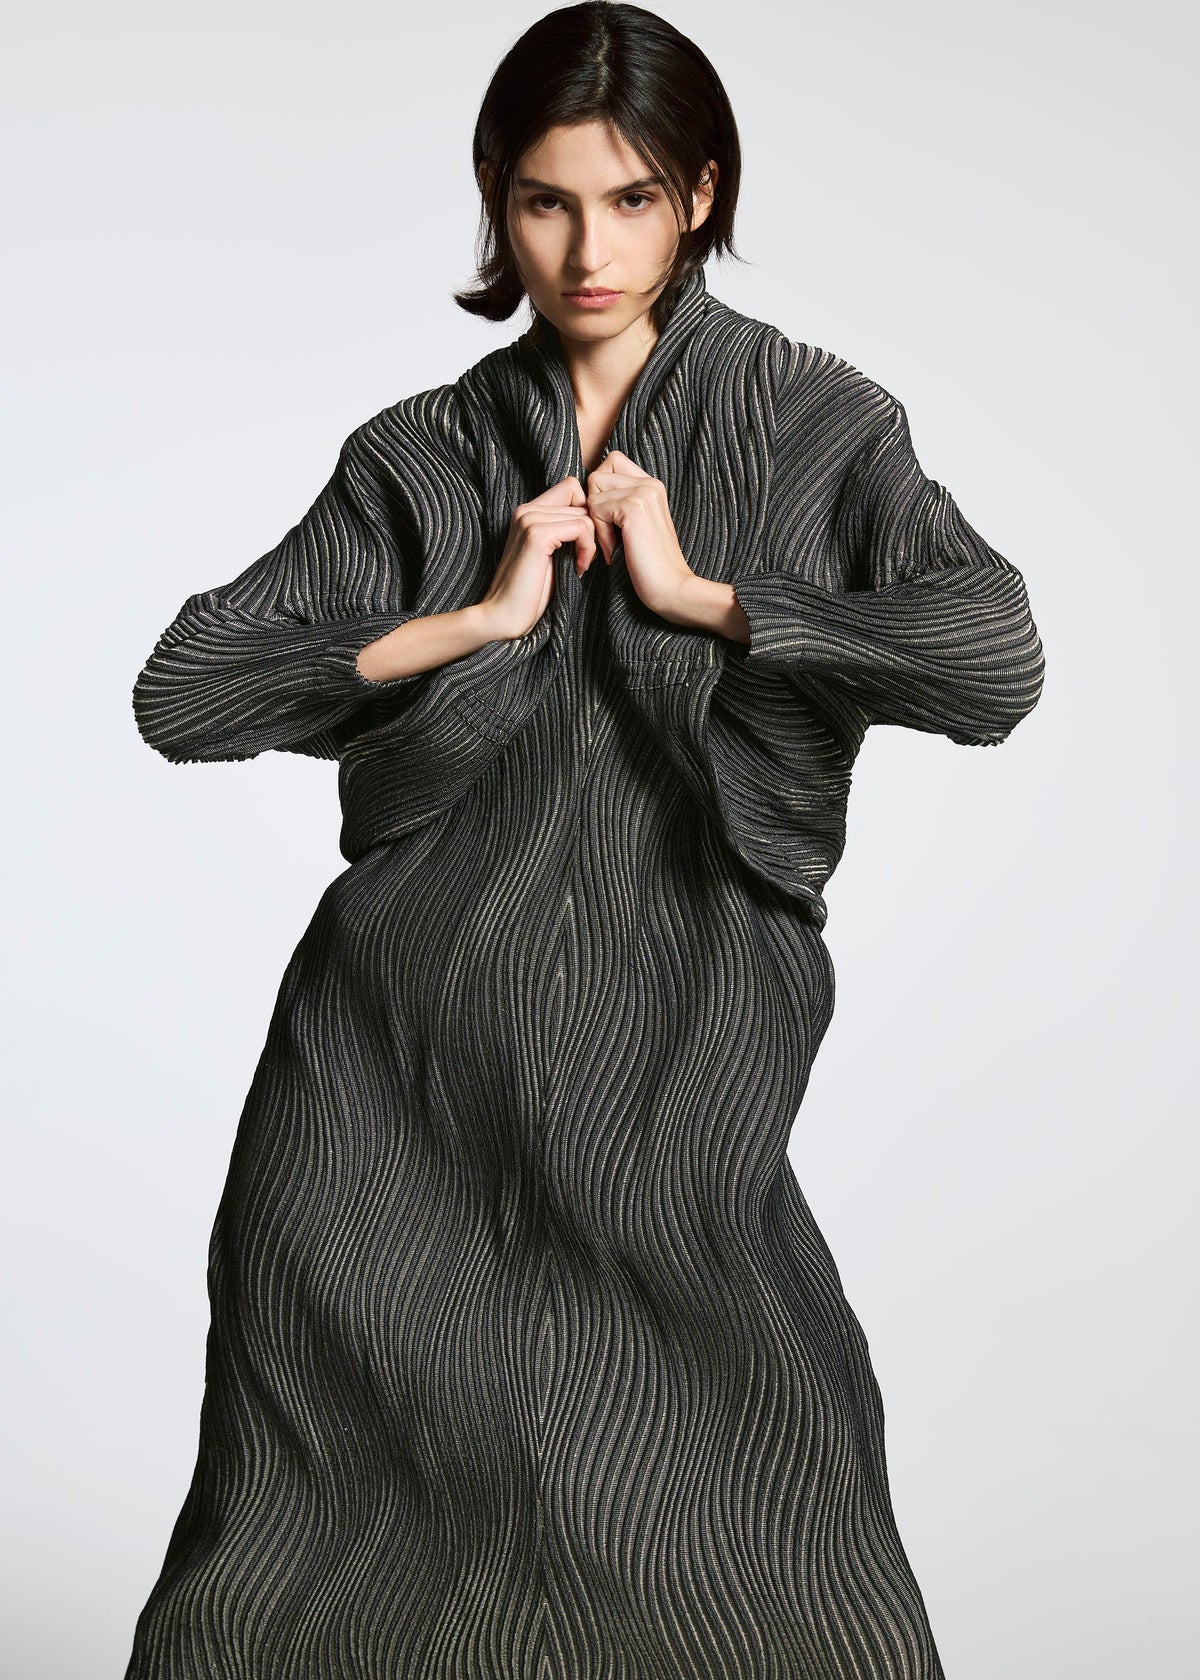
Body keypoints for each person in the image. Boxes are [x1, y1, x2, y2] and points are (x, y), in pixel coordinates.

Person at [121, 4, 1045, 1677]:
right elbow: (186, 692)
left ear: (700, 195)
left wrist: (713, 601)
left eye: (629, 199)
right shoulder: (425, 449)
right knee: (314, 1523)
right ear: (495, 198)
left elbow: (993, 662)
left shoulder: (818, 419)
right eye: (546, 201)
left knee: (755, 1499)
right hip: (391, 1056)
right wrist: (467, 622)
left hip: (679, 1032)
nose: (586, 246)